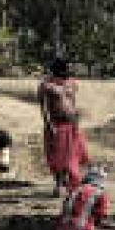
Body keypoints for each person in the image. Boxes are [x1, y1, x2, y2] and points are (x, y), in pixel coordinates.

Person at [38, 57, 89, 195]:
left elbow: (72, 103)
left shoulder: (72, 83)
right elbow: (44, 108)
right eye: (67, 67)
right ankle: (59, 183)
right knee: (57, 157)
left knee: (72, 156)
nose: (70, 70)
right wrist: (49, 125)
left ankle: (71, 184)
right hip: (56, 125)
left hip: (71, 124)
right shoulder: (46, 85)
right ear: (58, 69)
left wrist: (76, 122)